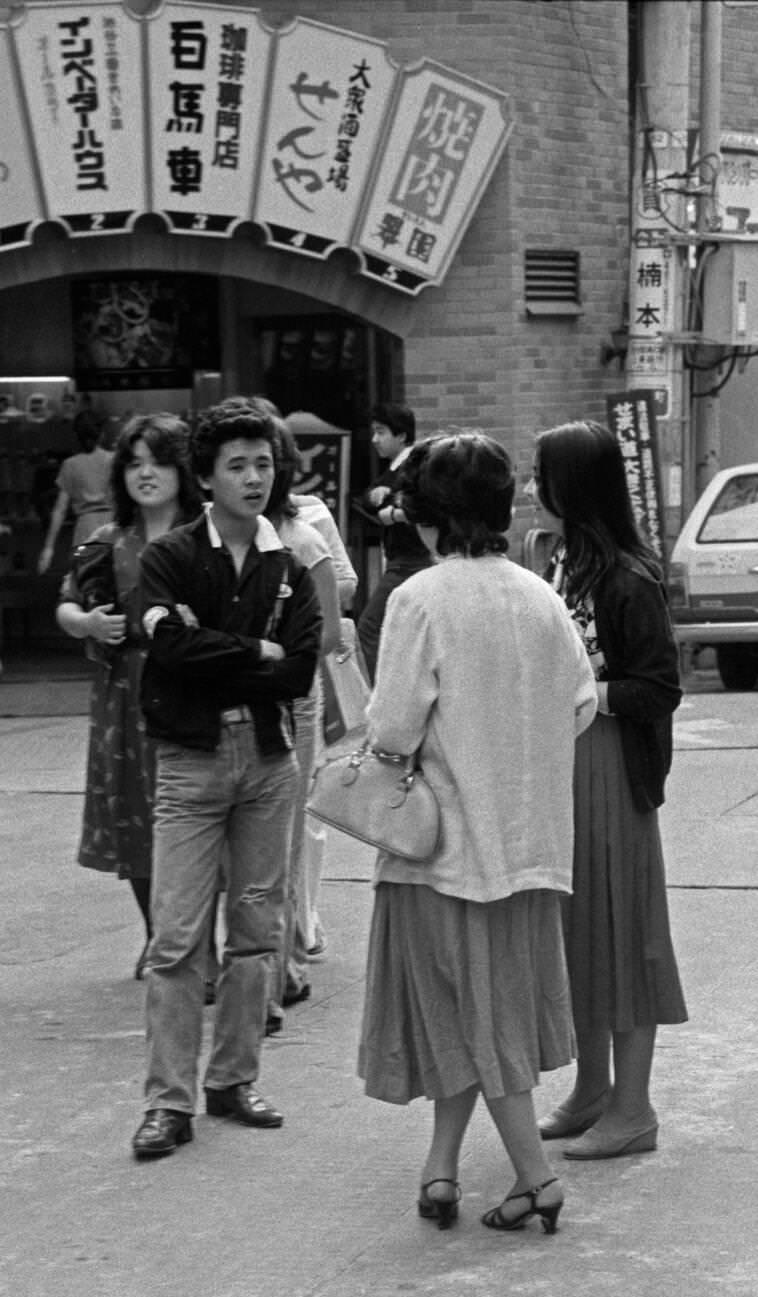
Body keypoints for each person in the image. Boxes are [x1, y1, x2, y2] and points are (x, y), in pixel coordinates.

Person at [357, 432, 598, 1234]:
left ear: (426, 517)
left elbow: (392, 728)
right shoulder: (541, 595)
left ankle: (535, 1175)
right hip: (529, 848)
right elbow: (582, 703)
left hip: (443, 851)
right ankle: (440, 1168)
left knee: (469, 1018)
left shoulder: (418, 599)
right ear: (502, 509)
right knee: (484, 1014)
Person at [131, 398, 322, 1159]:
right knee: (176, 938)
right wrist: (257, 653)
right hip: (189, 759)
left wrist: (232, 652)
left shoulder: (290, 562)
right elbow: (166, 647)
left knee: (256, 930)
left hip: (270, 763)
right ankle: (167, 1101)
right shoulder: (171, 555)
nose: (253, 477)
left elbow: (303, 667)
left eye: (264, 463)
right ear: (205, 476)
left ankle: (233, 1078)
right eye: (236, 464)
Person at [528, 419, 687, 1160]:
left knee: (623, 936)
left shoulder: (628, 575)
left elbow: (658, 687)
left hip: (611, 769)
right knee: (577, 932)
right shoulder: (560, 561)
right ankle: (592, 1091)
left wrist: (585, 689)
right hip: (564, 765)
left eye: (542, 473)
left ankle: (633, 1107)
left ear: (573, 484)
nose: (532, 487)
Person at [55, 413, 201, 978]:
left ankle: (195, 941)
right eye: (135, 462)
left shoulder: (207, 535)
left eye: (159, 461)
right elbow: (66, 607)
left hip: (192, 687)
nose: (146, 473)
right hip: (126, 694)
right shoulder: (105, 540)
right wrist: (89, 623)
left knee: (195, 817)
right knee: (136, 818)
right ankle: (159, 936)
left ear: (182, 470)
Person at [263, 419, 342, 1024]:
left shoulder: (303, 540)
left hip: (291, 700)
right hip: (231, 703)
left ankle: (286, 958)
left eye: (262, 464)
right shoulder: (209, 539)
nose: (251, 479)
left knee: (285, 832)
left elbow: (331, 635)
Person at [356, 403, 432, 681]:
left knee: (369, 627)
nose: (375, 439)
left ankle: (377, 694)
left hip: (410, 561)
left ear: (401, 435)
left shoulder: (414, 468)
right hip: (404, 560)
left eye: (381, 432)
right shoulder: (395, 469)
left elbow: (408, 503)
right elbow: (367, 501)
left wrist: (390, 506)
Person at [37, 411, 114, 573]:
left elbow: (60, 510)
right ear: (101, 434)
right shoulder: (114, 460)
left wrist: (48, 548)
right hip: (114, 528)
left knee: (86, 582)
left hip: (84, 532)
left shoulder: (70, 465)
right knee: (117, 585)